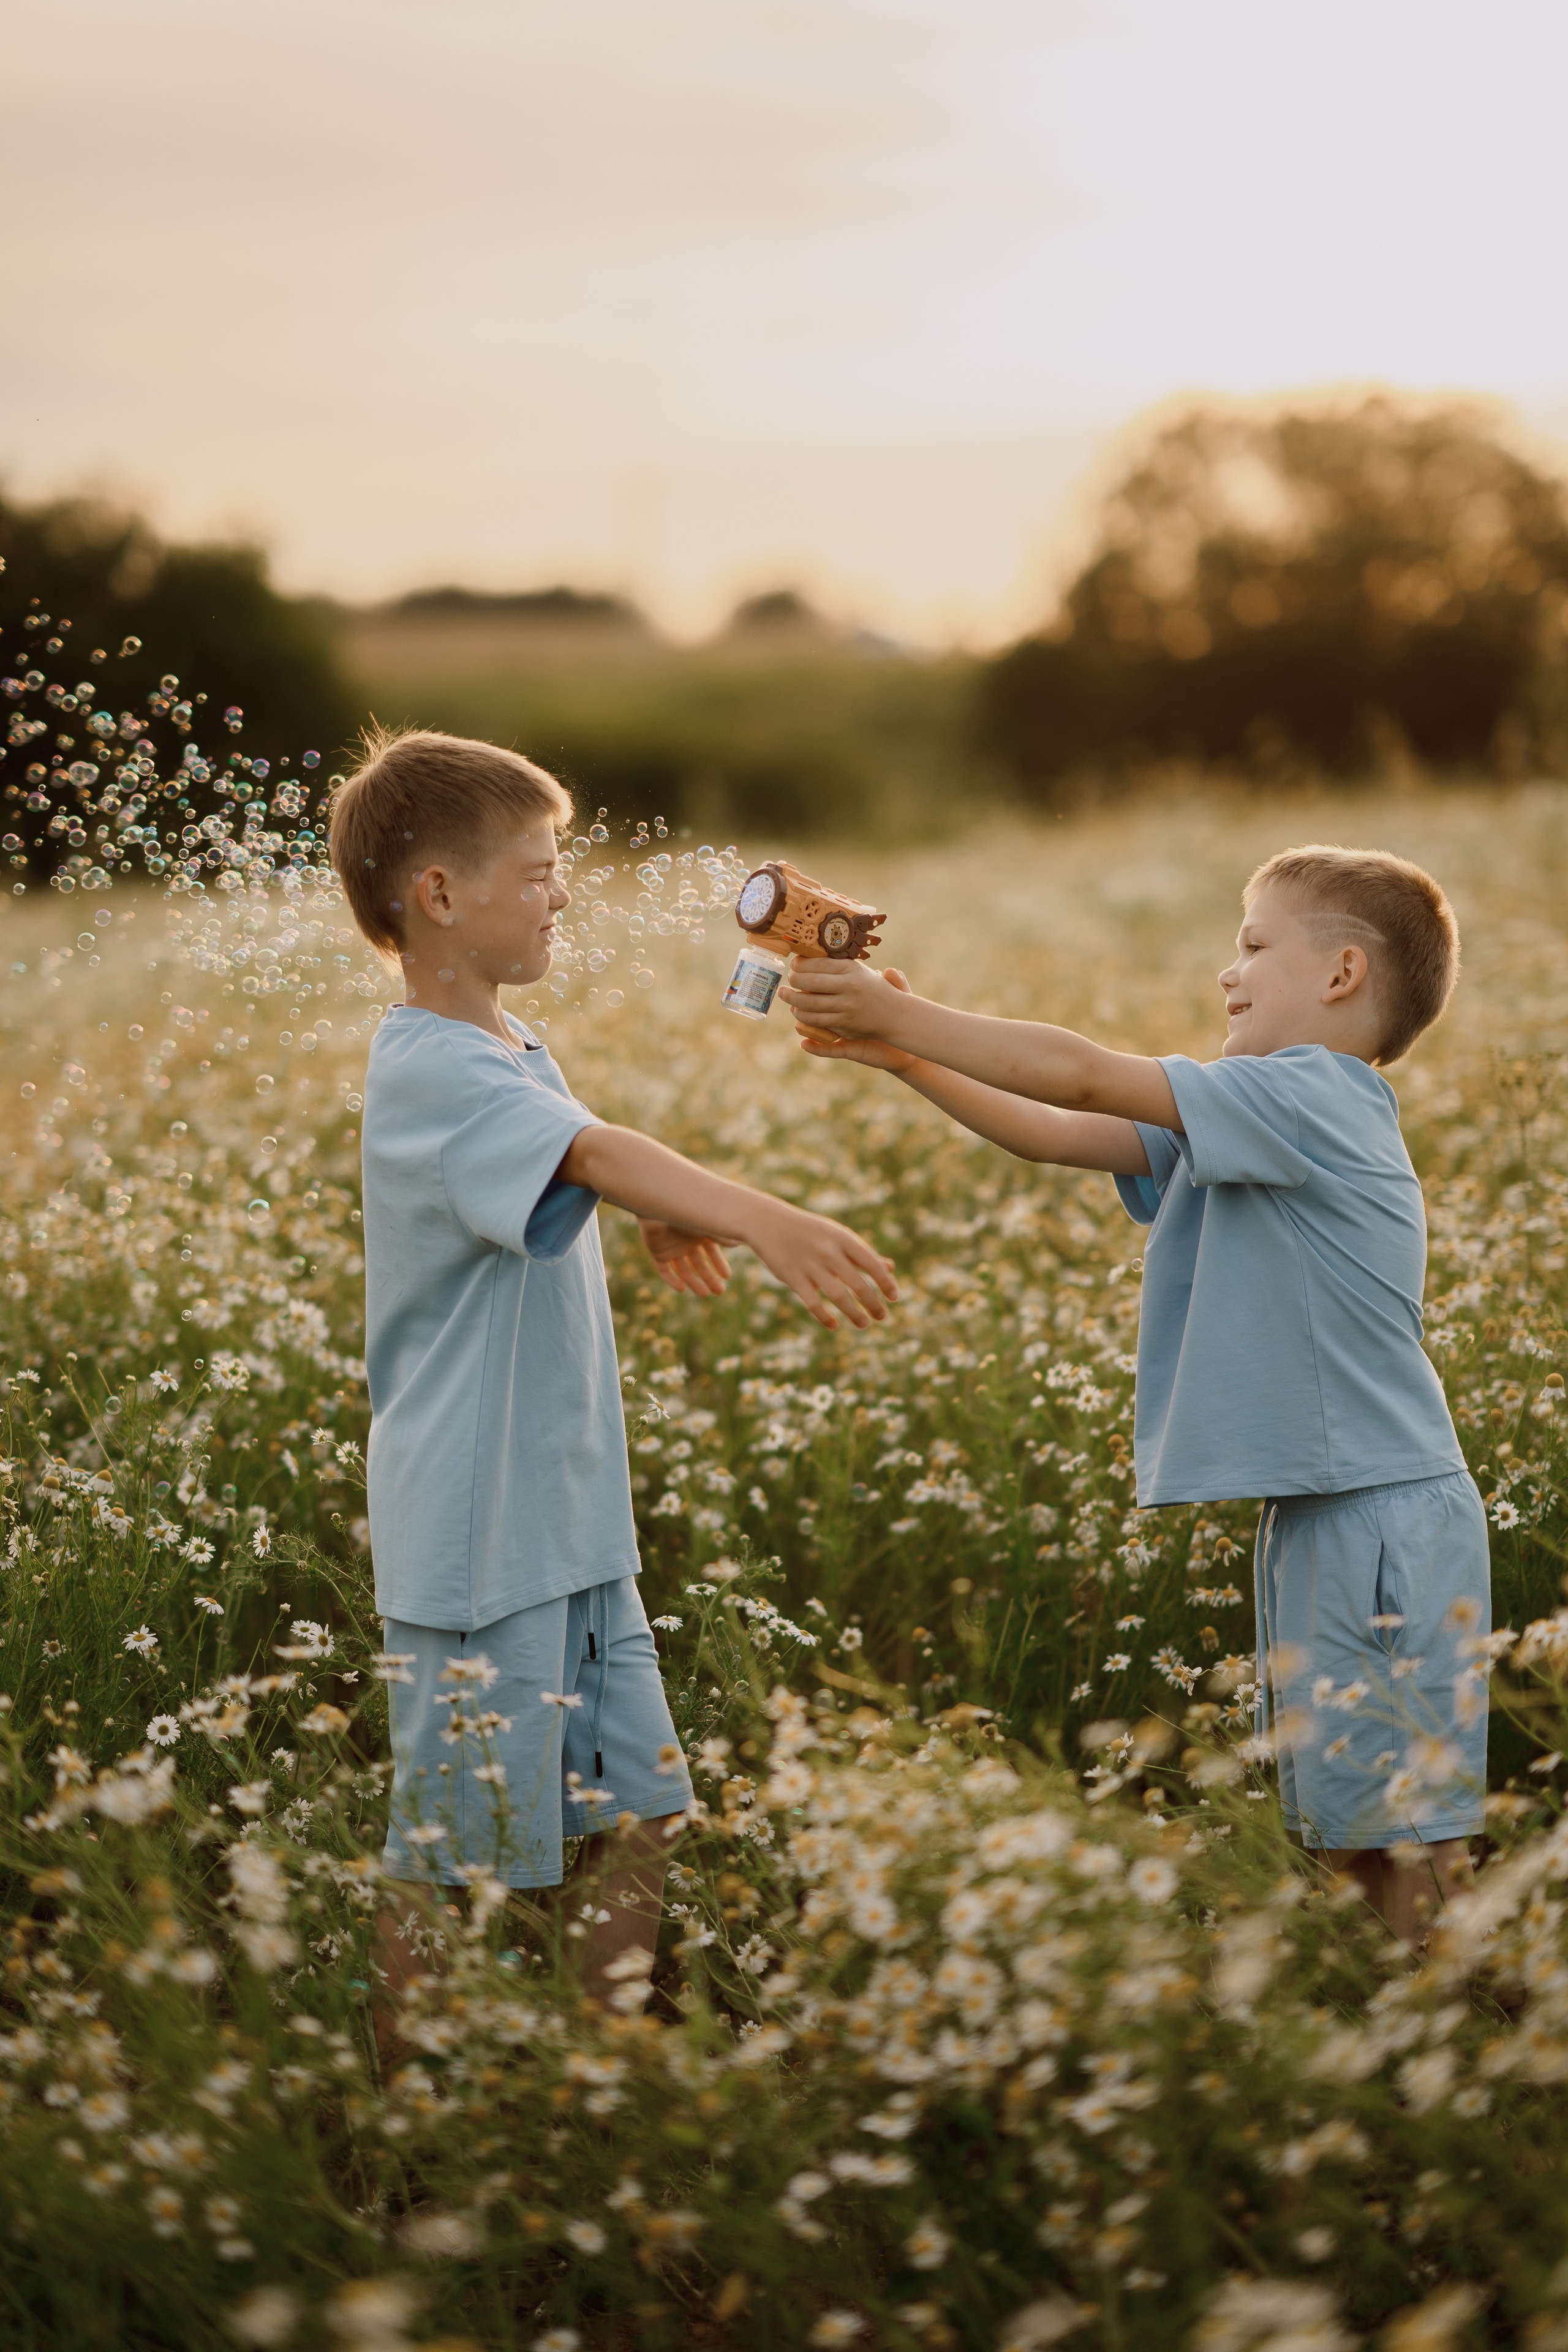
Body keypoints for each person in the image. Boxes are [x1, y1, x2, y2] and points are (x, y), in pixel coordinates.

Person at [782, 843, 1487, 1947]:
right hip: (1331, 1508)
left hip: (1383, 1511)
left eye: (1253, 946)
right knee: (1350, 1827)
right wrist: (902, 1054)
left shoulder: (1312, 1097)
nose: (1228, 972)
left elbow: (1075, 1073)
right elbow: (1054, 1132)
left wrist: (909, 1018)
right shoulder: (1253, 1111)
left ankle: (1465, 2046)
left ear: (1343, 975)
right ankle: (1405, 2039)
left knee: (1407, 1832)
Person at [328, 726, 897, 2042]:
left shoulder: (508, 1046)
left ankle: (610, 2078)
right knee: (455, 1846)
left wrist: (637, 1208)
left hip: (566, 1523)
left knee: (638, 1812)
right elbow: (583, 1148)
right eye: (536, 871)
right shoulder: (426, 1065)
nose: (562, 891)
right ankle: (410, 2114)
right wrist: (757, 1216)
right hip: (482, 1534)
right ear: (438, 897)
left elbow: (567, 1159)